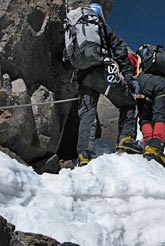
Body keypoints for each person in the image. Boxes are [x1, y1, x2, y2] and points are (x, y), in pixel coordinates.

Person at [64, 3, 142, 166]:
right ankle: (125, 140)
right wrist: (129, 77)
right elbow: (120, 50)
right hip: (103, 72)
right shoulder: (101, 26)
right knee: (128, 104)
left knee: (87, 113)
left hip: (83, 76)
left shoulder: (74, 27)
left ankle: (85, 153)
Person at [135, 44, 165, 168]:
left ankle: (149, 144)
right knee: (160, 117)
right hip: (162, 87)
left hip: (142, 83)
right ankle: (156, 147)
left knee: (144, 118)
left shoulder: (144, 66)